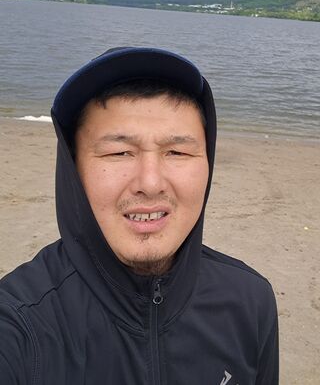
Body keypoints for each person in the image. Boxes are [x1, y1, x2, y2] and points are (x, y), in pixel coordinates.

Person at [0, 47, 278, 384]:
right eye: (119, 152)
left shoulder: (250, 301)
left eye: (177, 152)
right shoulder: (21, 323)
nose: (150, 183)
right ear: (74, 169)